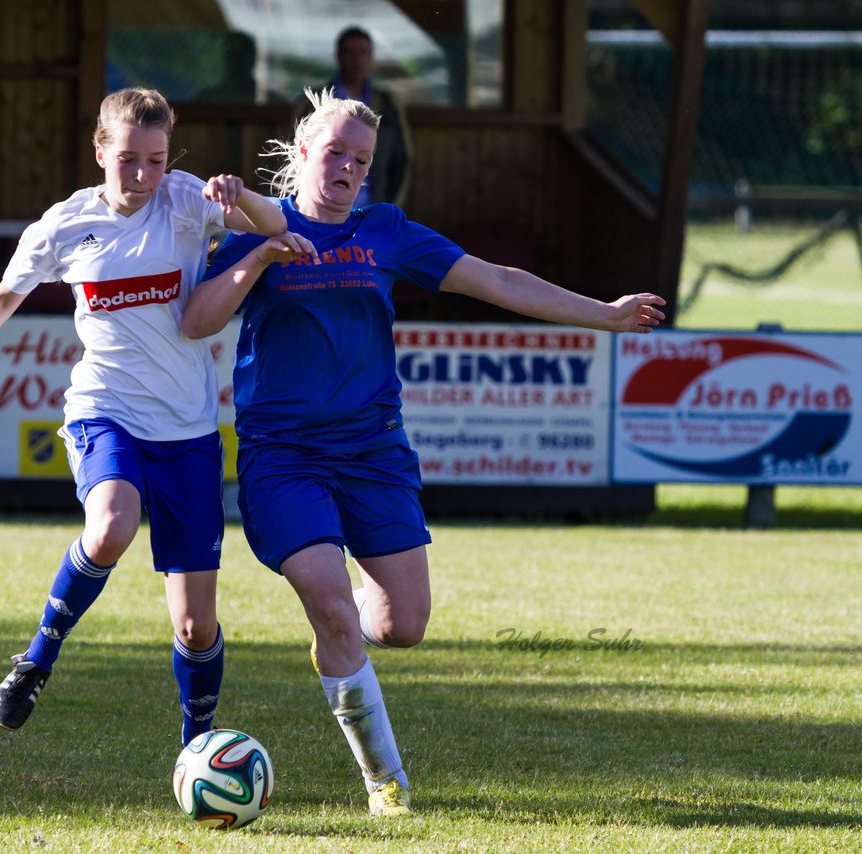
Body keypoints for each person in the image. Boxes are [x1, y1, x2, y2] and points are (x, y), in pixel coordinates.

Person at [182, 88, 666, 816]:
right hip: (283, 458)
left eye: (362, 159)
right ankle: (388, 785)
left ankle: (342, 615)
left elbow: (497, 280)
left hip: (374, 453)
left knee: (401, 626)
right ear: (304, 152)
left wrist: (603, 314)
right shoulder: (257, 229)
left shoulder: (386, 232)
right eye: (336, 152)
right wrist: (256, 252)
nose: (347, 167)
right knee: (333, 606)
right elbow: (197, 320)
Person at [0, 87, 291, 746]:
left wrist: (240, 198)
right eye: (129, 160)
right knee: (110, 525)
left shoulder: (189, 200)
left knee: (195, 627)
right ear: (100, 151)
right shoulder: (65, 224)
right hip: (104, 410)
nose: (142, 176)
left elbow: (280, 229)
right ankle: (37, 658)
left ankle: (196, 744)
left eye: (157, 160)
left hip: (189, 430)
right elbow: (2, 299)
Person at [297, 26, 411, 208]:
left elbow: (402, 161)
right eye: (349, 52)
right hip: (320, 210)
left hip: (371, 211)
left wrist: (387, 211)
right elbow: (294, 154)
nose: (356, 60)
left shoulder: (389, 105)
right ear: (338, 56)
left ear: (371, 57)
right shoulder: (313, 103)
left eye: (362, 52)